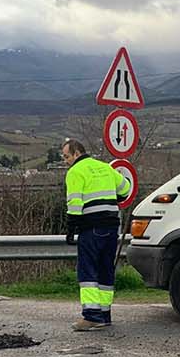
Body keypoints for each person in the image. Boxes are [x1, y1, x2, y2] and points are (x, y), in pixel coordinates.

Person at [62, 139, 132, 331]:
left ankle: (91, 316)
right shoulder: (105, 168)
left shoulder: (75, 172)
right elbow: (126, 189)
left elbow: (74, 204)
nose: (65, 161)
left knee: (87, 270)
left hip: (91, 226)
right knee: (105, 269)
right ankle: (104, 314)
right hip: (111, 227)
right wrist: (114, 199)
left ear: (77, 153)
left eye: (67, 156)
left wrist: (70, 229)